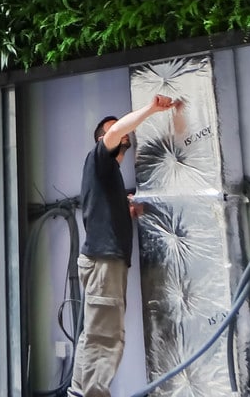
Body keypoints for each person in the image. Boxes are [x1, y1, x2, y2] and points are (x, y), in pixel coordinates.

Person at [68, 94, 183, 397]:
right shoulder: (99, 159)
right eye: (115, 130)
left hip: (103, 261)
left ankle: (79, 392)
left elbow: (105, 213)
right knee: (105, 337)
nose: (122, 133)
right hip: (104, 263)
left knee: (94, 334)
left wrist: (127, 209)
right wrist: (151, 109)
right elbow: (116, 131)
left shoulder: (109, 177)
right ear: (106, 138)